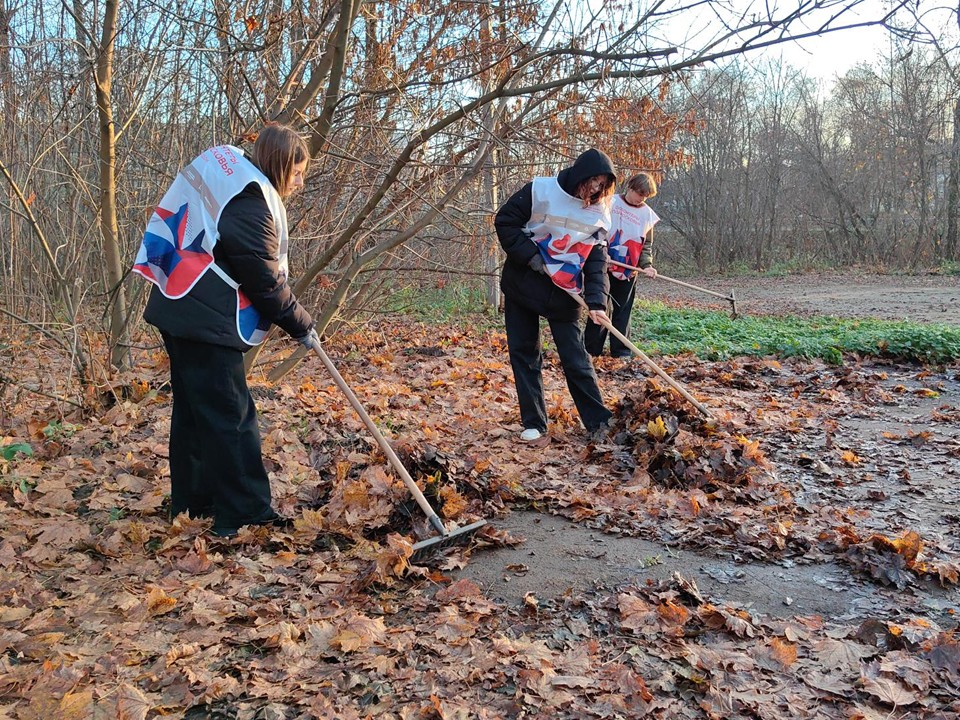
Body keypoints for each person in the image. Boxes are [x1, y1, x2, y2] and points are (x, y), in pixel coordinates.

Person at [133, 123, 320, 537]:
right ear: (279, 165)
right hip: (205, 320)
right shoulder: (251, 201)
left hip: (179, 305)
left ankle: (194, 504)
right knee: (231, 416)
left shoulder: (231, 169)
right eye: (297, 172)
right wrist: (302, 326)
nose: (300, 182)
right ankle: (245, 512)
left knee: (195, 413)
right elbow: (265, 281)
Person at [495, 149, 617, 442]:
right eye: (593, 182)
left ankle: (599, 422)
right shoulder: (541, 190)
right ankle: (534, 422)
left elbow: (596, 259)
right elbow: (505, 221)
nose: (596, 190)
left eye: (602, 185)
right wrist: (532, 258)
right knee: (525, 353)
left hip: (566, 290)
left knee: (576, 358)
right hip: (524, 283)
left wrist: (597, 302)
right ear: (579, 176)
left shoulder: (600, 212)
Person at [584, 172, 660, 358]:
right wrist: (601, 254)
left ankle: (621, 351)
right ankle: (591, 350)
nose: (641, 199)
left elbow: (645, 245)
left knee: (623, 311)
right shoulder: (610, 203)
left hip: (628, 271)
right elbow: (597, 230)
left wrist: (647, 265)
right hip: (604, 266)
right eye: (639, 194)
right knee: (600, 308)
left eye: (645, 197)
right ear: (630, 188)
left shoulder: (647, 215)